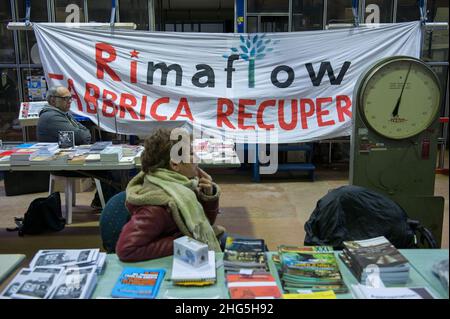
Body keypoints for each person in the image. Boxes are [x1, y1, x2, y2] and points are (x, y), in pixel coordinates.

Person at [116, 128, 226, 262]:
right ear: (175, 164)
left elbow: (204, 224)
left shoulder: (182, 188)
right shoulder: (158, 205)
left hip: (180, 255)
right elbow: (126, 249)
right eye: (191, 154)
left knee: (227, 241)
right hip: (168, 265)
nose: (197, 158)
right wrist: (182, 241)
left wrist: (208, 197)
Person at [36, 85, 121, 209]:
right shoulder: (51, 117)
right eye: (65, 98)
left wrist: (83, 132)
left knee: (111, 165)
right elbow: (83, 137)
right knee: (111, 168)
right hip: (63, 164)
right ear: (53, 100)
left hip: (70, 159)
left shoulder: (63, 114)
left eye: (70, 98)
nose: (70, 101)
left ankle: (102, 202)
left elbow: (84, 132)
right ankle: (110, 207)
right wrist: (83, 132)